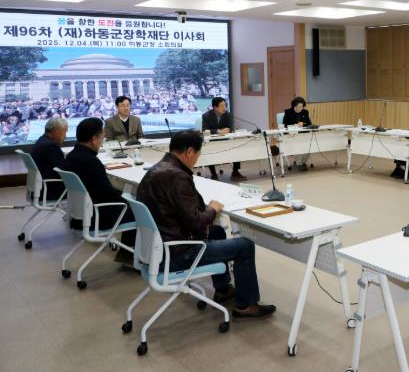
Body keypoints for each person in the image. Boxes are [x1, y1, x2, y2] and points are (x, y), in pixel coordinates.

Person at [136, 130, 276, 319]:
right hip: (178, 253)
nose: (197, 159)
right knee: (245, 246)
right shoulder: (177, 176)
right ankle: (246, 306)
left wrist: (204, 212)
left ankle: (223, 288)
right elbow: (195, 222)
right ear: (189, 152)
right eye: (198, 154)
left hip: (160, 246)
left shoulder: (158, 169)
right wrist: (212, 209)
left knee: (217, 232)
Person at [65, 118, 136, 266]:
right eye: (102, 138)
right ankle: (131, 255)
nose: (102, 142)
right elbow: (108, 195)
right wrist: (129, 202)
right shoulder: (91, 162)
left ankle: (128, 254)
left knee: (130, 202)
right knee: (143, 210)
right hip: (98, 216)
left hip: (80, 215)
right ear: (94, 139)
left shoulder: (71, 157)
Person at [201, 97, 246, 181]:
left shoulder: (227, 114)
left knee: (236, 147)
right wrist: (217, 131)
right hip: (212, 142)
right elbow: (205, 130)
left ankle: (235, 172)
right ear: (215, 107)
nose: (224, 108)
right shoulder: (206, 116)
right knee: (208, 150)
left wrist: (227, 130)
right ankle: (213, 174)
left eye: (225, 105)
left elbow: (231, 128)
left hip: (225, 140)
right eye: (222, 106)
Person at [29, 117, 68, 202]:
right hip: (50, 191)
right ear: (56, 131)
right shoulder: (51, 146)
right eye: (65, 132)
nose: (65, 136)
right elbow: (64, 171)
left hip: (40, 188)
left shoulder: (42, 141)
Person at [282, 96, 312, 171]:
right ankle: (300, 163)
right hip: (292, 135)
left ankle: (303, 162)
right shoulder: (288, 112)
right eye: (299, 107)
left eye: (302, 107)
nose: (300, 108)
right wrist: (295, 125)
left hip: (303, 134)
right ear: (294, 106)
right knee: (298, 146)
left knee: (308, 146)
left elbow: (309, 124)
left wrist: (303, 124)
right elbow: (285, 125)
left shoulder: (305, 112)